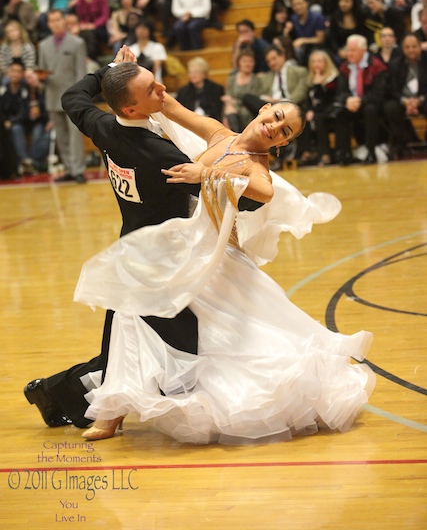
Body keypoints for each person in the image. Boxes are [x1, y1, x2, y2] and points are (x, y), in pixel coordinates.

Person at [72, 54, 375, 445]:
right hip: (179, 243)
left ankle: (121, 410)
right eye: (277, 116)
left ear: (283, 144)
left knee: (224, 338)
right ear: (265, 108)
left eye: (285, 132)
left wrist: (207, 173)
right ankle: (113, 410)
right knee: (131, 314)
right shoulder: (218, 133)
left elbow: (263, 192)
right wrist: (123, 72)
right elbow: (165, 103)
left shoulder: (256, 166)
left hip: (212, 256)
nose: (275, 128)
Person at [23, 45, 215, 428]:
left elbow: (71, 96)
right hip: (160, 260)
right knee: (174, 343)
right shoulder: (157, 152)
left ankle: (54, 392)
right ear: (131, 108)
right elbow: (229, 201)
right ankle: (72, 397)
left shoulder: (104, 126)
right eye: (151, 90)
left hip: (132, 249)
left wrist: (112, 71)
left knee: (122, 349)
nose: (162, 89)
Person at [37, 9, 87, 183]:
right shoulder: (43, 45)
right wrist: (40, 78)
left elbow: (81, 73)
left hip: (72, 97)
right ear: (48, 24)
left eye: (58, 19)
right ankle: (69, 169)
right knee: (61, 136)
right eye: (51, 21)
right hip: (52, 94)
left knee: (74, 136)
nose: (55, 23)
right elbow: (41, 71)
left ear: (64, 21)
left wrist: (81, 97)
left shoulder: (77, 43)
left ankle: (78, 169)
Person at [333, 34, 388, 165]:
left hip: (371, 103)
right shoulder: (345, 67)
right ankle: (344, 154)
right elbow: (340, 92)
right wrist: (347, 100)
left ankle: (371, 152)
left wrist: (360, 100)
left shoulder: (377, 66)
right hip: (353, 104)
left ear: (363, 50)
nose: (349, 53)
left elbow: (379, 93)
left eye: (353, 50)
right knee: (340, 112)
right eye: (348, 50)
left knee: (370, 110)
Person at [0, 60, 50, 174]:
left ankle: (28, 162)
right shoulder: (3, 89)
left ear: (22, 74)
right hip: (10, 123)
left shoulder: (27, 89)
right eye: (13, 71)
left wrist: (11, 121)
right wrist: (7, 121)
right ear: (8, 72)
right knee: (16, 128)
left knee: (40, 131)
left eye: (18, 72)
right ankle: (26, 162)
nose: (15, 74)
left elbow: (26, 111)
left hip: (28, 122)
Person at [384, 32, 427, 158]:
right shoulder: (395, 64)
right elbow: (392, 89)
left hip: (423, 98)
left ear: (420, 47)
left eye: (414, 46)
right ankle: (401, 144)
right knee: (390, 107)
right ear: (403, 49)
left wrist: (420, 100)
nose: (411, 50)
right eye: (407, 47)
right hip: (403, 100)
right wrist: (405, 101)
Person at [222, 48, 264, 131]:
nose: (248, 64)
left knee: (232, 109)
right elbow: (227, 98)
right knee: (229, 109)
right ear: (239, 63)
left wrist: (234, 101)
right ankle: (235, 136)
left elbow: (252, 101)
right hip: (233, 110)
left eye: (250, 61)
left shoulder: (257, 80)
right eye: (244, 61)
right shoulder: (231, 79)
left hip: (249, 112)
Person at [176, 56, 224, 121]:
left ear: (204, 74)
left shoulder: (216, 89)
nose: (192, 75)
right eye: (190, 72)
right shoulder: (183, 91)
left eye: (196, 72)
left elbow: (217, 110)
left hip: (210, 122)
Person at [128, 15, 167, 82]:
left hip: (154, 82)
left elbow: (156, 67)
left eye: (144, 28)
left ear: (150, 30)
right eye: (139, 28)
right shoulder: (130, 49)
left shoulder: (158, 47)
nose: (141, 31)